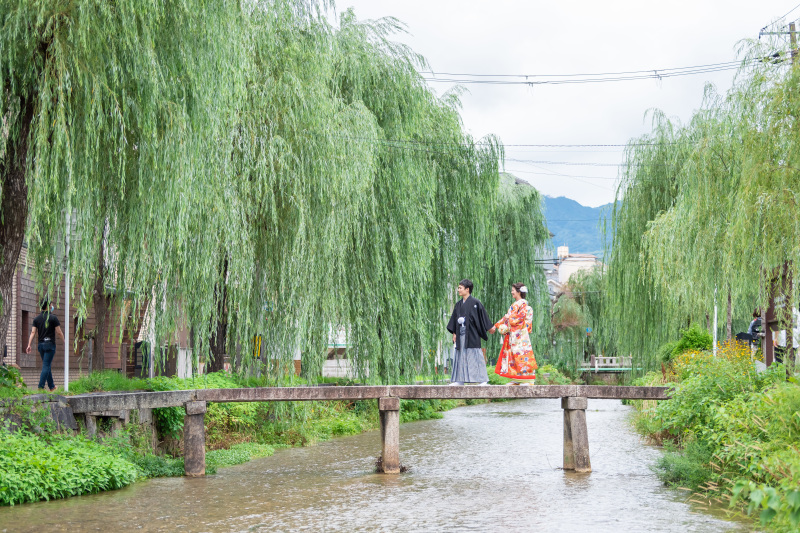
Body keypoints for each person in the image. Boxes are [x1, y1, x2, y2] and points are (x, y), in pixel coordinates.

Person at [446, 279, 492, 385]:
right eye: (458, 288)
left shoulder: (476, 303)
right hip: (460, 333)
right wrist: (454, 333)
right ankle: (460, 380)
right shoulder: (458, 304)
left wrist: (490, 328)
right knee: (460, 355)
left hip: (472, 334)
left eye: (460, 288)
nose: (458, 290)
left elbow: (482, 317)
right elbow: (454, 320)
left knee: (475, 355)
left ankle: (483, 380)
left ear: (467, 289)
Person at [490, 282, 537, 384]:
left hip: (520, 335)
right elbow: (506, 317)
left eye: (513, 290)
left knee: (522, 355)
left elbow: (520, 318)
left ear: (519, 292)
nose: (511, 292)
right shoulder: (515, 305)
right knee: (513, 356)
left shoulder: (523, 304)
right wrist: (496, 325)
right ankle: (516, 379)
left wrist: (509, 318)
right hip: (514, 335)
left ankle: (528, 380)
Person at [25, 299, 65, 392]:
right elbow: (59, 332)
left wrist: (29, 344)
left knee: (47, 365)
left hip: (41, 345)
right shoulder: (53, 318)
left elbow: (33, 332)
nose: (52, 306)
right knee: (46, 365)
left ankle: (52, 387)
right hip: (50, 345)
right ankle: (41, 386)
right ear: (47, 306)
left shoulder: (36, 319)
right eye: (51, 304)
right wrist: (64, 341)